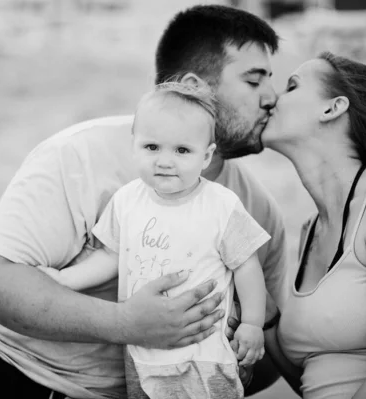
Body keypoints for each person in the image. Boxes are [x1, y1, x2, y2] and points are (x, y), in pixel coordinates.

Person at [0, 5, 288, 399]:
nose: (272, 97)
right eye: (254, 82)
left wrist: (234, 353)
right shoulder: (81, 154)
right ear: (193, 87)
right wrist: (126, 323)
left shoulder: (256, 210)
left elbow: (268, 360)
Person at [39, 82, 270, 399]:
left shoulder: (221, 205)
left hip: (205, 356)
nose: (165, 160)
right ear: (133, 145)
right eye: (152, 148)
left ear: (206, 156)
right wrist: (64, 279)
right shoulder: (127, 201)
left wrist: (253, 324)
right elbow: (110, 256)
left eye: (182, 150)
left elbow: (246, 265)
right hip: (143, 356)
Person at [260, 51, 366, 399]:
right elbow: (315, 379)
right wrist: (266, 319)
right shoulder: (311, 229)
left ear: (332, 108)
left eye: (291, 86)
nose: (270, 100)